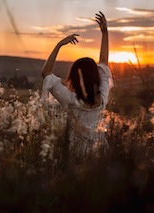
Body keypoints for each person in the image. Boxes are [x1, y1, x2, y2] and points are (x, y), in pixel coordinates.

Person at [41, 11, 113, 158]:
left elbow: (46, 74)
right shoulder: (103, 97)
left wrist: (59, 44)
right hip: (100, 154)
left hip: (76, 156)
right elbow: (104, 62)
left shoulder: (70, 99)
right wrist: (105, 33)